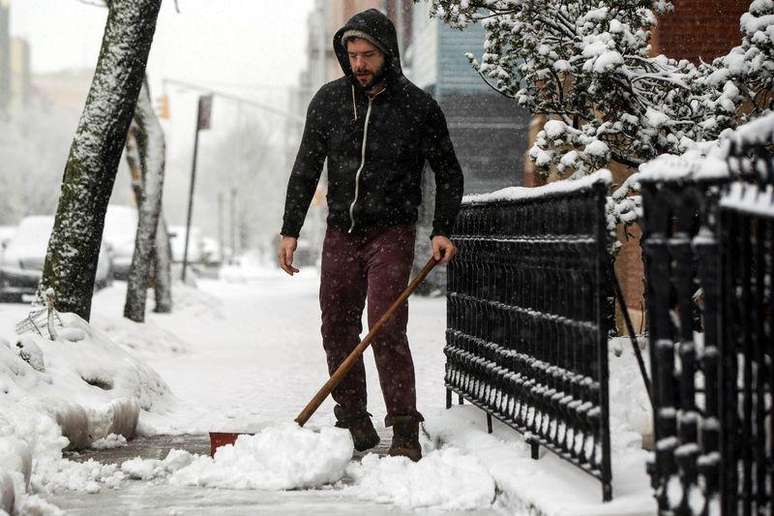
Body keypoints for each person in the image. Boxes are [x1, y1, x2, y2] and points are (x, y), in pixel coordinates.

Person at [278, 8, 463, 461]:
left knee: (385, 324)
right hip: (341, 232)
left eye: (368, 55)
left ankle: (403, 429)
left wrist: (442, 230)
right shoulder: (328, 101)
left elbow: (448, 172)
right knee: (336, 323)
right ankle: (354, 420)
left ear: (387, 54)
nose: (359, 63)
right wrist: (289, 230)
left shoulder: (418, 107)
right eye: (352, 54)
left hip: (391, 232)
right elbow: (306, 169)